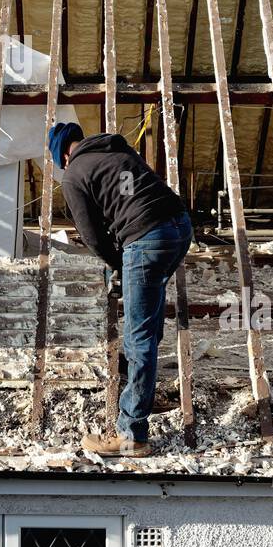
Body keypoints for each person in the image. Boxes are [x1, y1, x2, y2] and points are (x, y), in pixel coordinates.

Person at [47, 121, 192, 457]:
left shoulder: (73, 175)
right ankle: (143, 391)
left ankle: (132, 435)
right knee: (148, 325)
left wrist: (118, 264)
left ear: (62, 156)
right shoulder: (117, 148)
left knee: (137, 339)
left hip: (146, 240)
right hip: (179, 228)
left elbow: (93, 237)